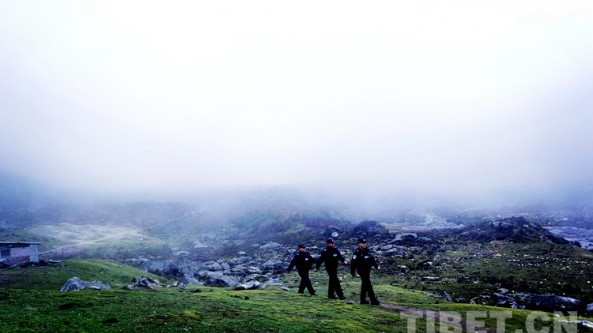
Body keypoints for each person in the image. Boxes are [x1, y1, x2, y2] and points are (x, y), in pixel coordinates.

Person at [350, 238, 380, 305]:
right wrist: (352, 271)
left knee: (364, 285)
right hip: (361, 271)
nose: (364, 244)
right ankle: (373, 300)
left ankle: (362, 300)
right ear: (359, 244)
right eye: (363, 243)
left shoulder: (367, 251)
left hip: (367, 270)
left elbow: (372, 260)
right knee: (368, 284)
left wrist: (376, 266)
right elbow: (353, 263)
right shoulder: (357, 252)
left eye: (365, 243)